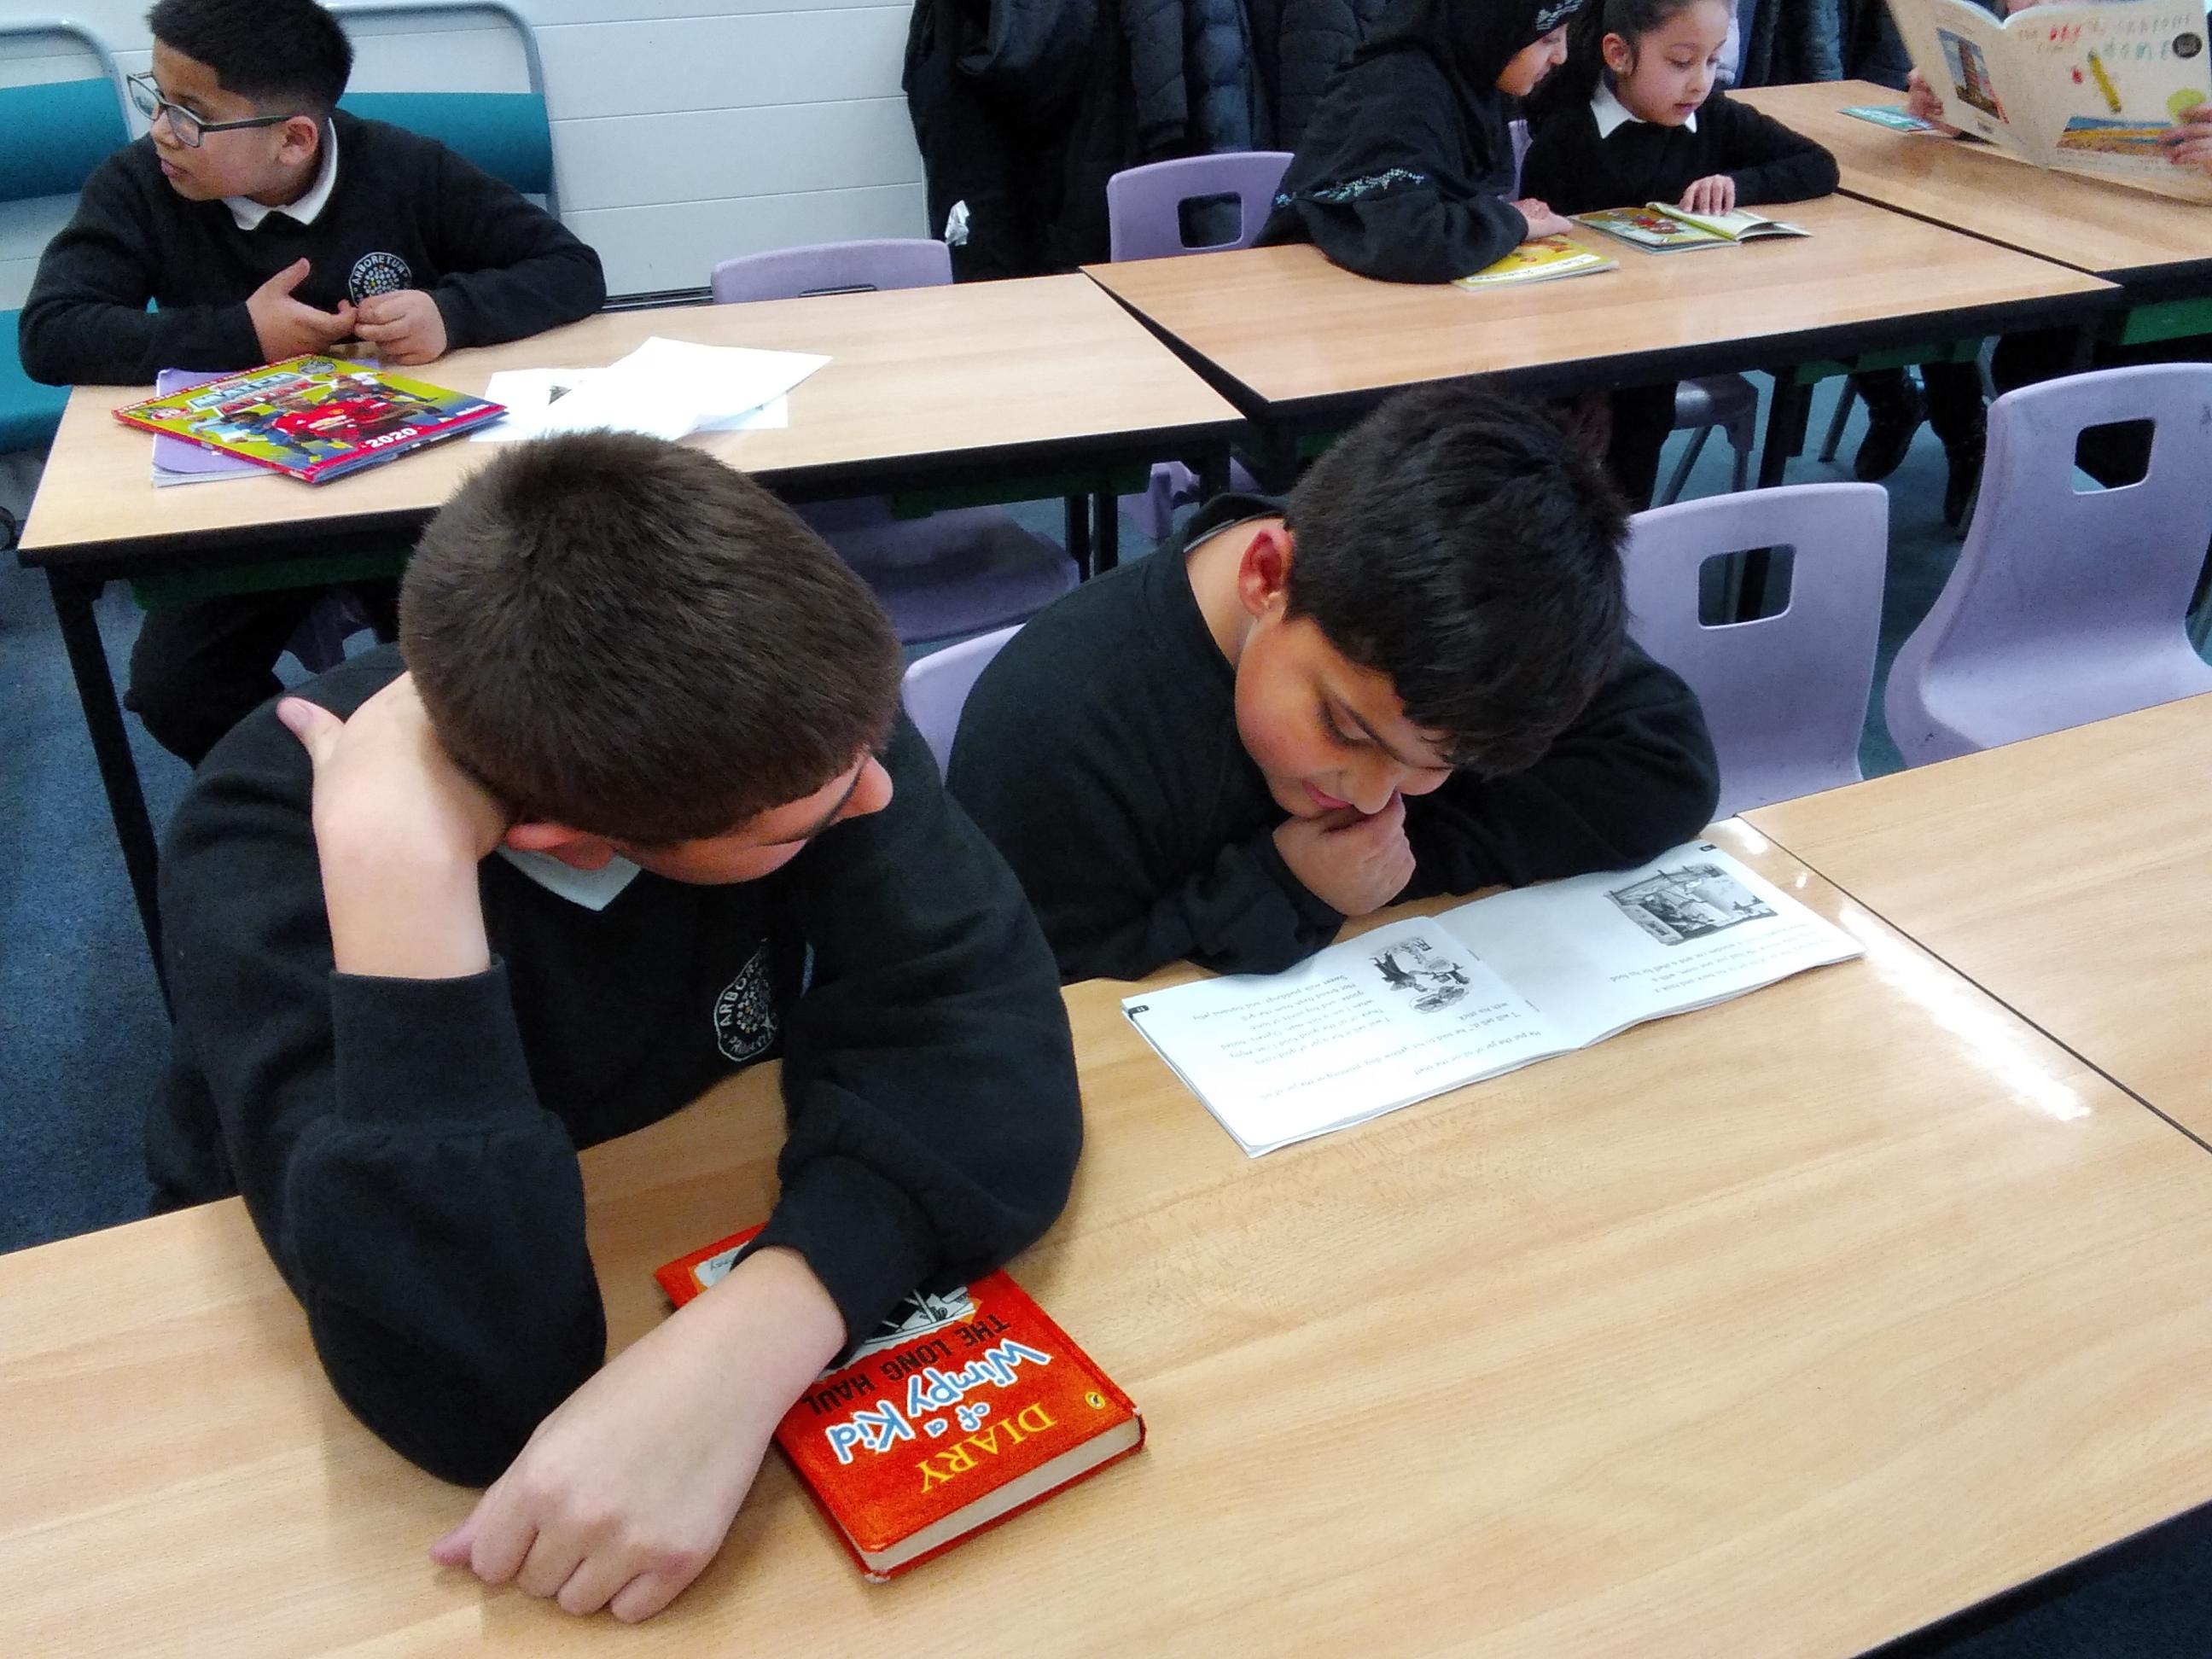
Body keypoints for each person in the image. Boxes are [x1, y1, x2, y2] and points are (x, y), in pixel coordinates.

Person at [147, 432, 1082, 1621]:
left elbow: (983, 1027)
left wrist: (765, 1325)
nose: (881, 796)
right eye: (797, 827)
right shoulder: (266, 840)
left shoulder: (798, 718)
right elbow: (472, 1392)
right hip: (266, 1324)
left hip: (657, 1181)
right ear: (570, 840)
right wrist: (405, 889)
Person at [946, 383, 1721, 984]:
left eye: (1435, 764)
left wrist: (1383, 864)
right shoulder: (1054, 725)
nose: (1375, 799)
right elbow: (1050, 997)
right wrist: (1285, 886)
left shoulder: (1481, 602)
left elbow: (1664, 761)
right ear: (1266, 576)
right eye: (1345, 729)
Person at [18, 0, 605, 766]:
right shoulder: (141, 184)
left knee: (462, 655)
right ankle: (319, 778)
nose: (161, 130)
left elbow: (570, 268)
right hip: (239, 497)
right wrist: (243, 335)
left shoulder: (403, 167)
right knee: (176, 690)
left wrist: (450, 313)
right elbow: (52, 332)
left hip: (402, 490)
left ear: (294, 138)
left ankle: (430, 777)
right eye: (156, 98)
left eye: (191, 115)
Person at [1520, 0, 1838, 505]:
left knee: (1637, 446)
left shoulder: (1712, 117)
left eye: (1712, 61)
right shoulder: (1566, 139)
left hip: (1662, 346)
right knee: (1564, 464)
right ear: (1619, 55)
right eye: (1681, 63)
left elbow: (1818, 165)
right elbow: (1546, 281)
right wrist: (1594, 388)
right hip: (1580, 349)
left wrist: (1735, 184)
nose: (1699, 83)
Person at [1255, 0, 1592, 282]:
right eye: (1548, 39)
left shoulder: (1471, 86)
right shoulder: (1401, 91)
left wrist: (1501, 220)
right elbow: (1411, 240)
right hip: (1313, 292)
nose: (1562, 55)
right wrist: (1515, 223)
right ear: (1491, 27)